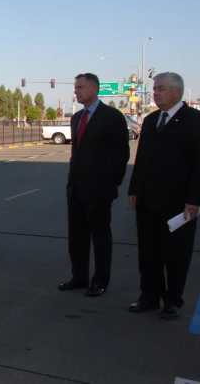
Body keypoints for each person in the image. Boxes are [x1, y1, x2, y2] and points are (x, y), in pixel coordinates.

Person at [127, 72, 200, 319]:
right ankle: (149, 296)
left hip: (179, 203)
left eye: (161, 89)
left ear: (177, 91)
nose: (155, 93)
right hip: (147, 200)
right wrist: (134, 189)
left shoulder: (196, 121)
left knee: (176, 254)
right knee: (149, 252)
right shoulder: (151, 120)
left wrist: (194, 199)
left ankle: (173, 300)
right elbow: (142, 158)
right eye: (155, 89)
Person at [59, 73, 130, 297]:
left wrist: (110, 183)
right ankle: (79, 276)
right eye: (75, 87)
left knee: (100, 236)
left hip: (99, 191)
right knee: (77, 237)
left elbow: (122, 155)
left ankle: (100, 280)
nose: (76, 91)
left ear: (94, 89)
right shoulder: (77, 117)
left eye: (80, 87)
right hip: (77, 189)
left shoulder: (112, 116)